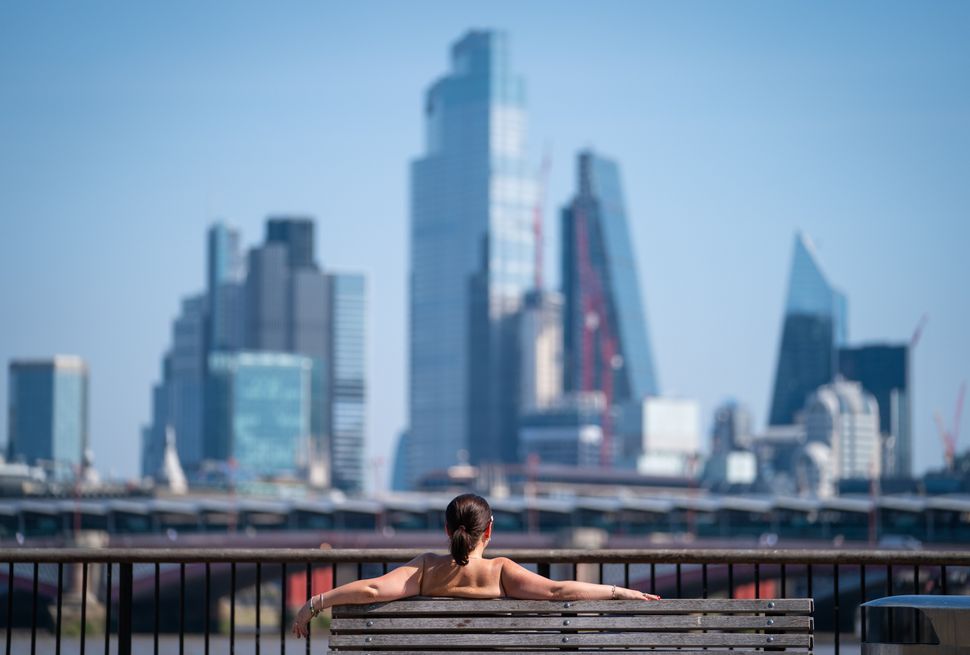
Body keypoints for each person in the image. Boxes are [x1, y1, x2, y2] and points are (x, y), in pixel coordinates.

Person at [291, 493, 660, 638]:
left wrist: (314, 604)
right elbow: (558, 590)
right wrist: (617, 591)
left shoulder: (426, 569)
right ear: (490, 531)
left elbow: (371, 589)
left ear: (447, 530)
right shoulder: (500, 571)